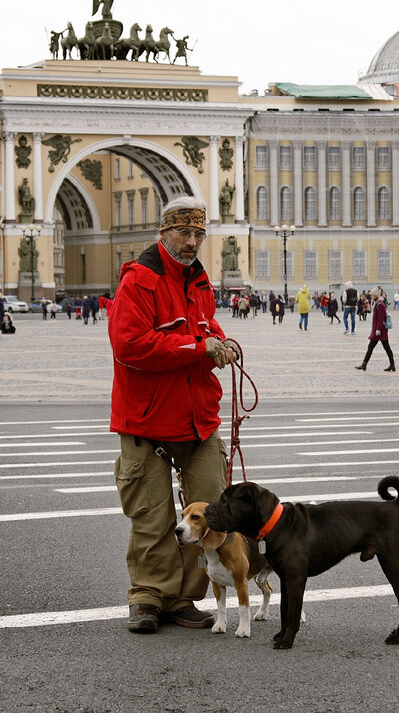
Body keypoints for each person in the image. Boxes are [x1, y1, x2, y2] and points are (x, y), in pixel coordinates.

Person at [109, 196, 236, 634]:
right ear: (164, 232)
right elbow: (130, 346)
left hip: (199, 419)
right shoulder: (139, 281)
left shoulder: (199, 282)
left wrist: (224, 343)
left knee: (210, 513)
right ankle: (148, 597)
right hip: (146, 422)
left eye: (199, 234)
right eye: (184, 232)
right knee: (151, 515)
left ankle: (185, 598)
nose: (192, 241)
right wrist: (199, 349)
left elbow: (207, 329)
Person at [355, 289, 395, 371]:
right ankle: (365, 364)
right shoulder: (379, 303)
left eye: (372, 295)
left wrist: (378, 330)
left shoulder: (380, 304)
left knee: (382, 347)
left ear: (376, 296)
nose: (371, 296)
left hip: (379, 331)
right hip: (379, 330)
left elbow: (380, 318)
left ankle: (364, 364)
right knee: (381, 347)